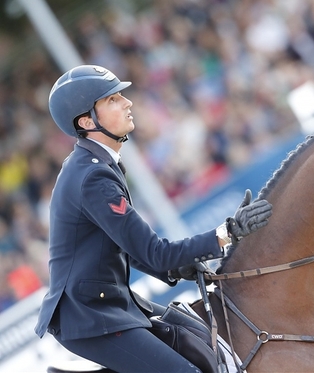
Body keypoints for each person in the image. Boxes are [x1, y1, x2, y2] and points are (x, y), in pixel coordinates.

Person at [34, 65, 272, 373]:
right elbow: (154, 253)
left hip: (110, 304)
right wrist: (228, 231)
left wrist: (178, 266)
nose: (127, 103)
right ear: (86, 121)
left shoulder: (95, 164)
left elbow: (130, 247)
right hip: (91, 317)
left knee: (200, 339)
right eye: (112, 100)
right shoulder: (93, 176)